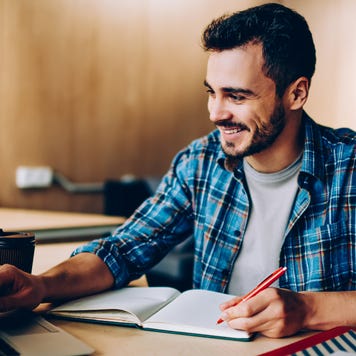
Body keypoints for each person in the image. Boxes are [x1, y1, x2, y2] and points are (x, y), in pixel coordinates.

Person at [0, 3, 355, 338]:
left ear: (296, 93)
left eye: (237, 96)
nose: (216, 112)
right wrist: (41, 286)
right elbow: (123, 250)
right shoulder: (199, 161)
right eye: (211, 92)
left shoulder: (348, 167)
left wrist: (308, 309)